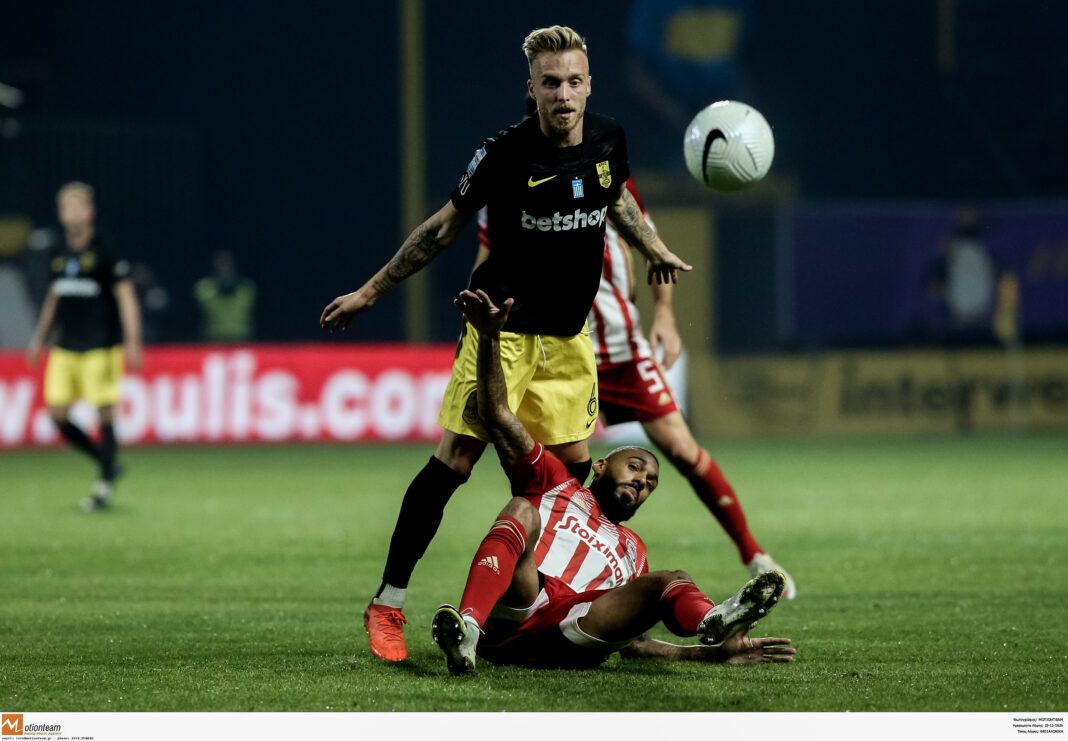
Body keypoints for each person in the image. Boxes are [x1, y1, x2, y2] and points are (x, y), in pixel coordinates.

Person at [319, 25, 691, 661]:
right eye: (551, 83)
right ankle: (388, 603)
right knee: (454, 464)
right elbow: (441, 230)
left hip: (569, 342)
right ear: (532, 89)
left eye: (573, 81)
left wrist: (652, 246)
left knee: (569, 486)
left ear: (589, 85)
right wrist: (370, 292)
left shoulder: (609, 139)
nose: (563, 94)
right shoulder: (503, 154)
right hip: (504, 332)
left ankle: (540, 609)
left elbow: (617, 204)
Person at [430, 288, 793, 674]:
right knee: (522, 508)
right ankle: (468, 628)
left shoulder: (634, 551)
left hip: (574, 632)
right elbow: (498, 415)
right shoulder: (555, 482)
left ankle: (712, 619)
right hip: (520, 606)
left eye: (650, 483)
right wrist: (489, 337)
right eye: (635, 467)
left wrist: (711, 654)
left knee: (670, 580)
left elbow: (635, 645)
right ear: (600, 466)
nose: (642, 482)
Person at [477, 173, 797, 599]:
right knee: (550, 478)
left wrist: (664, 314)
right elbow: (488, 258)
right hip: (554, 349)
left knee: (682, 448)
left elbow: (651, 247)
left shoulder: (602, 170)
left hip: (619, 348)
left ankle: (754, 554)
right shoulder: (510, 178)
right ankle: (539, 585)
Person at [26, 181, 143, 511]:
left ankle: (103, 487)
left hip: (99, 346)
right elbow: (54, 297)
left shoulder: (105, 250)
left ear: (90, 211)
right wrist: (39, 338)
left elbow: (126, 297)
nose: (72, 213)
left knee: (104, 413)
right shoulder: (57, 252)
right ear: (61, 214)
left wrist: (133, 341)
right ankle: (107, 463)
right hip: (65, 347)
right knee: (57, 415)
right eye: (67, 207)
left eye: (78, 206)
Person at [193, 250, 256, 343]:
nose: (224, 268)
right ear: (214, 266)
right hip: (213, 338)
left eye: (227, 264)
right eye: (221, 264)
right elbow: (204, 300)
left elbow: (246, 301)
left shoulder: (246, 287)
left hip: (241, 337)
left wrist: (232, 286)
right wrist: (218, 287)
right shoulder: (204, 287)